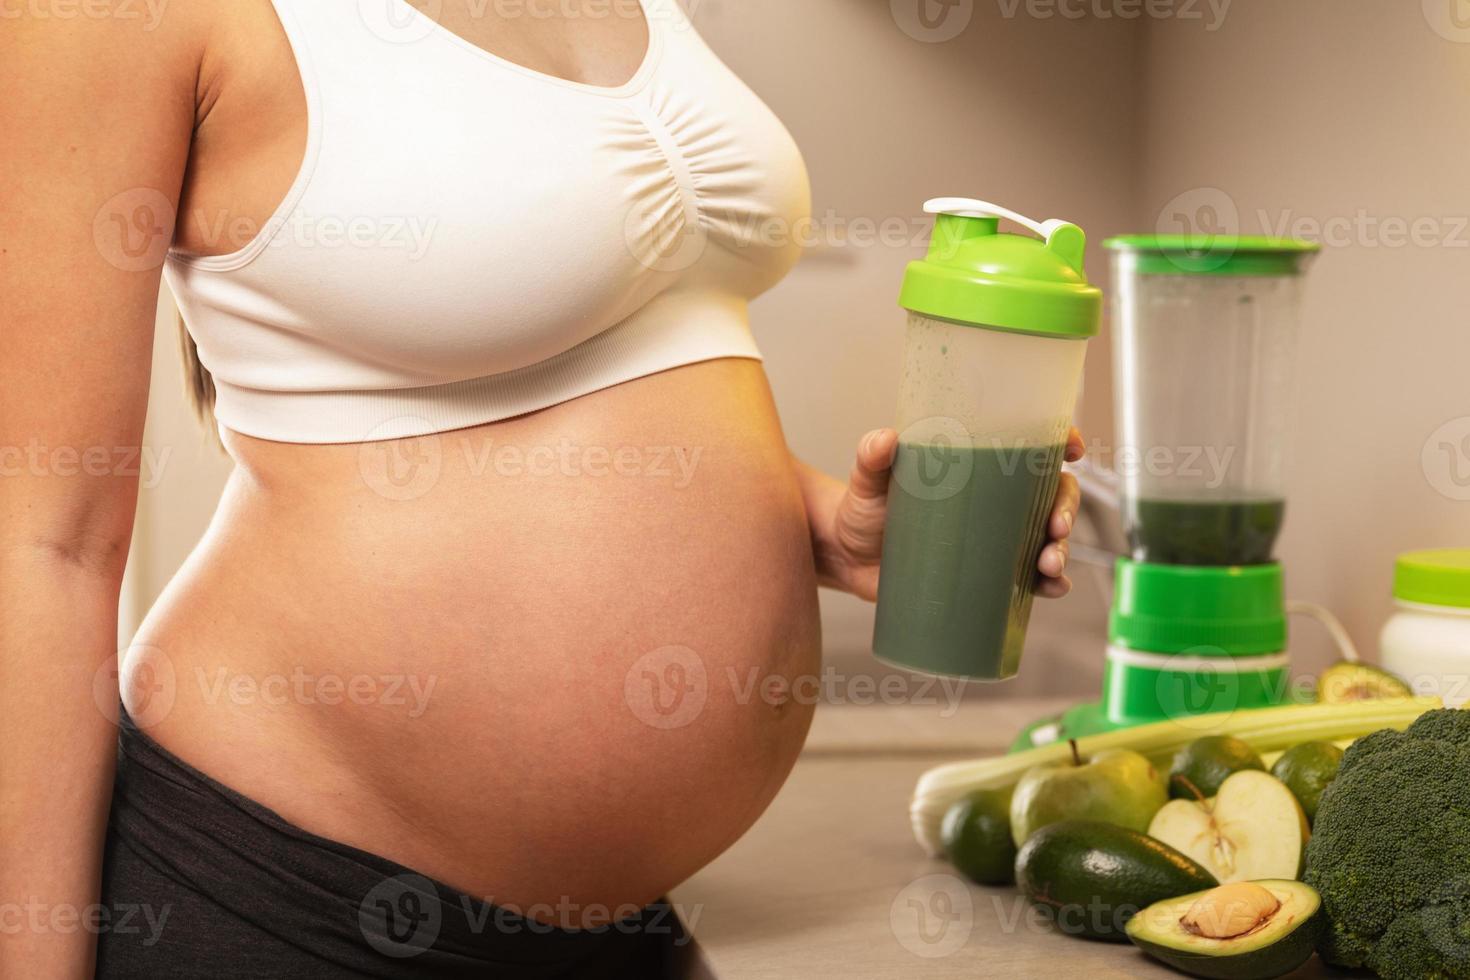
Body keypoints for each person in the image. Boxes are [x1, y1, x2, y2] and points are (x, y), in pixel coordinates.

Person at [0, 1, 1082, 975]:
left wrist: (813, 521)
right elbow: (39, 546)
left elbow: (635, 360)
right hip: (285, 896)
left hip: (619, 923)